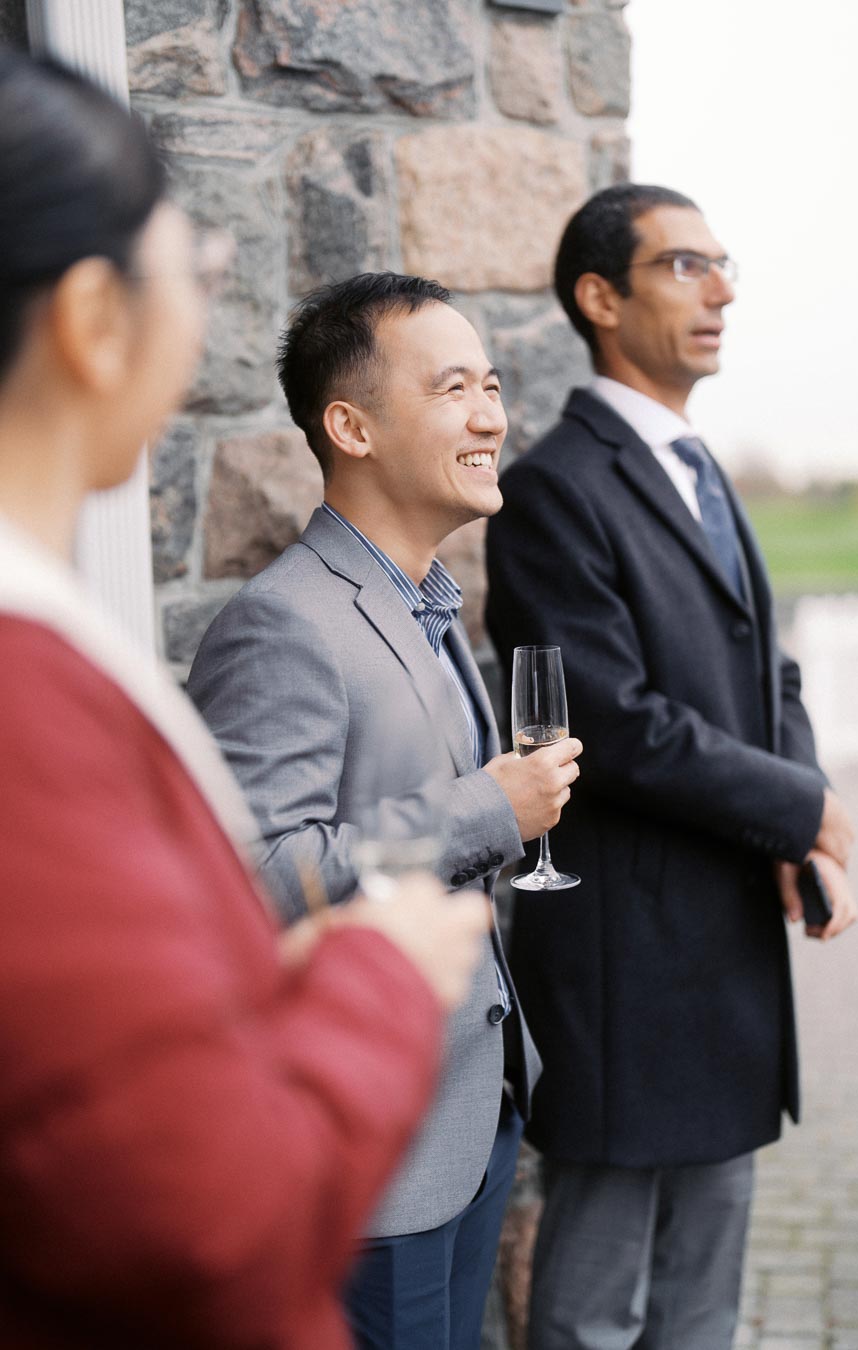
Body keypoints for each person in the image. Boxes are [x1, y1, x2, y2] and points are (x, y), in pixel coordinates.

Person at [0, 47, 492, 1350]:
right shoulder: (31, 698)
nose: (488, 410)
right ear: (95, 319)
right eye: (198, 273)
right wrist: (382, 973)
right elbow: (193, 1209)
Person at [486, 182, 858, 1350]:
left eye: (723, 263)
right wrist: (801, 803)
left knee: (702, 1309)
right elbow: (616, 722)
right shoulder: (553, 487)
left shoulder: (702, 468)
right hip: (627, 972)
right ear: (600, 298)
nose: (723, 291)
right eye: (685, 267)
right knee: (598, 1314)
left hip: (729, 956)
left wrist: (795, 834)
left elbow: (771, 674)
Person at [188, 271, 583, 1349]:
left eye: (492, 385)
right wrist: (484, 809)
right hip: (370, 1160)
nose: (493, 415)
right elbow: (256, 876)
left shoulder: (430, 604)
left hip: (470, 1112)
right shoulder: (284, 625)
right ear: (350, 426)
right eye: (455, 387)